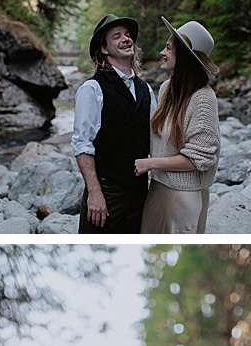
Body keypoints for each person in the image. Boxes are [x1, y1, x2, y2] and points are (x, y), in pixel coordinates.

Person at [135, 17, 222, 234]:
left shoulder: (203, 99)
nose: (162, 53)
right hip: (158, 189)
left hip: (183, 197)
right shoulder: (166, 88)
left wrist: (150, 163)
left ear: (183, 57)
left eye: (168, 48)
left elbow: (199, 159)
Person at [73, 14, 157, 233]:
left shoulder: (145, 89)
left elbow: (157, 135)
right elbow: (83, 145)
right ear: (104, 49)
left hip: (139, 193)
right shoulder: (92, 89)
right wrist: (95, 193)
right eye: (117, 36)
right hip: (106, 194)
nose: (126, 39)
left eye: (128, 35)